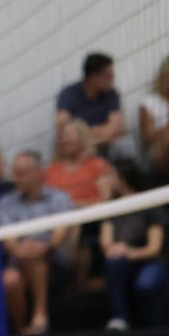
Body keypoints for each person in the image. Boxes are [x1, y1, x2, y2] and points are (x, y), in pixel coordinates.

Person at [0, 151, 74, 335]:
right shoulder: (5, 203)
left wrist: (44, 246)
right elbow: (7, 239)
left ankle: (40, 315)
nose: (15, 179)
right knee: (9, 279)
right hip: (20, 260)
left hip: (53, 261)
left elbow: (61, 232)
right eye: (14, 173)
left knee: (37, 259)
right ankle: (22, 329)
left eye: (21, 174)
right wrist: (21, 250)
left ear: (38, 173)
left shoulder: (60, 198)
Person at [100, 158, 168, 330]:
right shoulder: (111, 207)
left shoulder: (149, 203)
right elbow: (105, 242)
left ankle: (155, 330)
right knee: (113, 261)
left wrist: (128, 251)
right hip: (122, 262)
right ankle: (120, 318)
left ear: (122, 179)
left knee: (146, 284)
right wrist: (117, 250)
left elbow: (154, 248)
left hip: (149, 261)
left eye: (109, 175)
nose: (104, 179)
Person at [44, 119, 110, 290]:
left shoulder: (97, 165)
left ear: (82, 138)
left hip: (92, 218)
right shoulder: (49, 171)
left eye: (70, 136)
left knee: (77, 227)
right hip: (59, 220)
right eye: (62, 137)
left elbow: (106, 199)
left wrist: (75, 206)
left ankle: (77, 280)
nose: (65, 140)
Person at [55, 53, 124, 157]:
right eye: (109, 76)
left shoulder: (111, 94)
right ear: (94, 78)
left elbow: (116, 127)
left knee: (125, 145)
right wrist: (99, 131)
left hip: (103, 144)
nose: (113, 79)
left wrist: (85, 134)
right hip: (78, 147)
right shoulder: (68, 94)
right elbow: (61, 125)